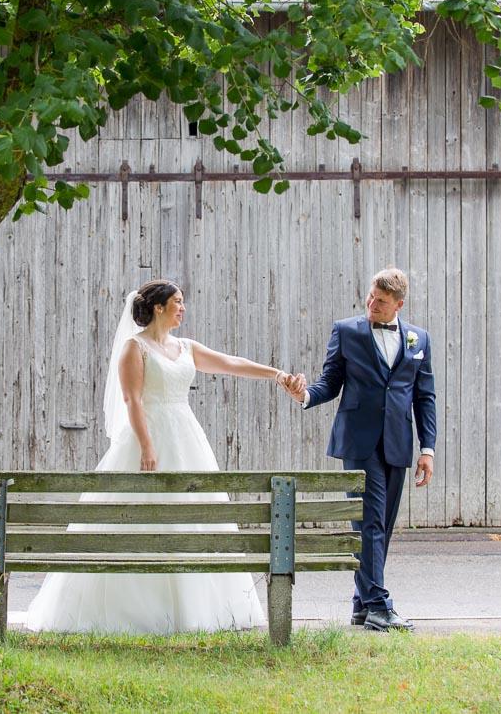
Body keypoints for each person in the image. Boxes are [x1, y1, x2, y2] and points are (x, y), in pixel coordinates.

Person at [25, 279, 299, 633]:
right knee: (140, 514)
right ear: (159, 307)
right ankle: (133, 610)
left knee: (196, 514)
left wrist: (276, 375)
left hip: (186, 436)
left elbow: (229, 363)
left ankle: (198, 608)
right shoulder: (134, 348)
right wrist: (147, 445)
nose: (183, 308)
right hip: (147, 435)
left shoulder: (185, 347)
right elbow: (132, 400)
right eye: (178, 302)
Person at [281, 268, 436, 632]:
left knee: (382, 525)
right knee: (368, 523)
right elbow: (330, 382)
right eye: (370, 297)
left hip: (398, 442)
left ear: (398, 304)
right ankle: (380, 605)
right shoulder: (347, 331)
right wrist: (304, 395)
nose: (371, 305)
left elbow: (425, 396)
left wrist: (427, 449)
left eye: (380, 302)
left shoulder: (419, 339)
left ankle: (361, 605)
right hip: (358, 441)